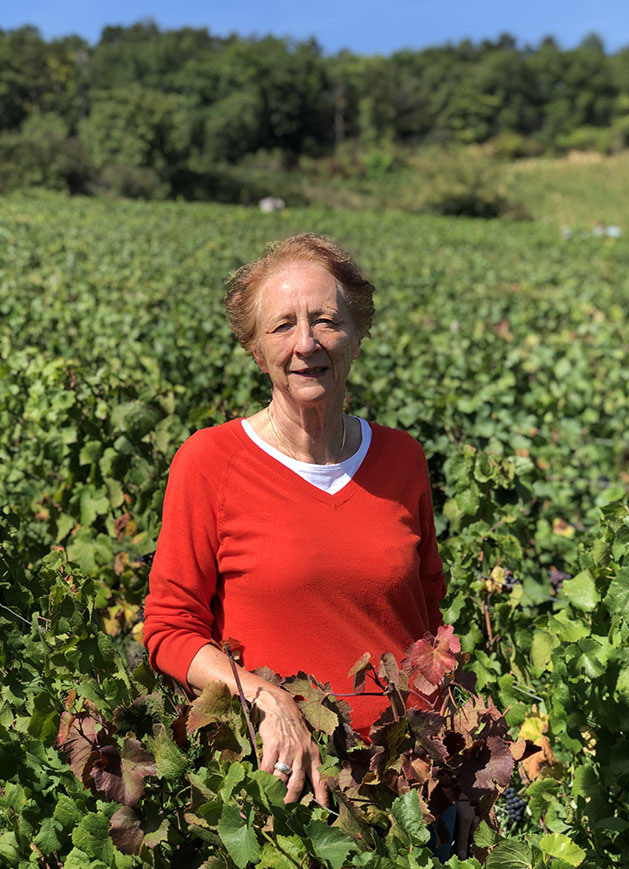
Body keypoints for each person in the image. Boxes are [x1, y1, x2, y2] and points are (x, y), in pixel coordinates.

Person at [143, 233, 459, 848]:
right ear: (255, 348)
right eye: (283, 325)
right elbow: (168, 630)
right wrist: (267, 700)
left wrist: (456, 767)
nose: (305, 344)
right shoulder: (209, 462)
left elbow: (428, 623)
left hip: (407, 795)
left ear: (358, 334)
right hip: (282, 804)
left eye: (325, 321)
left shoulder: (403, 458)